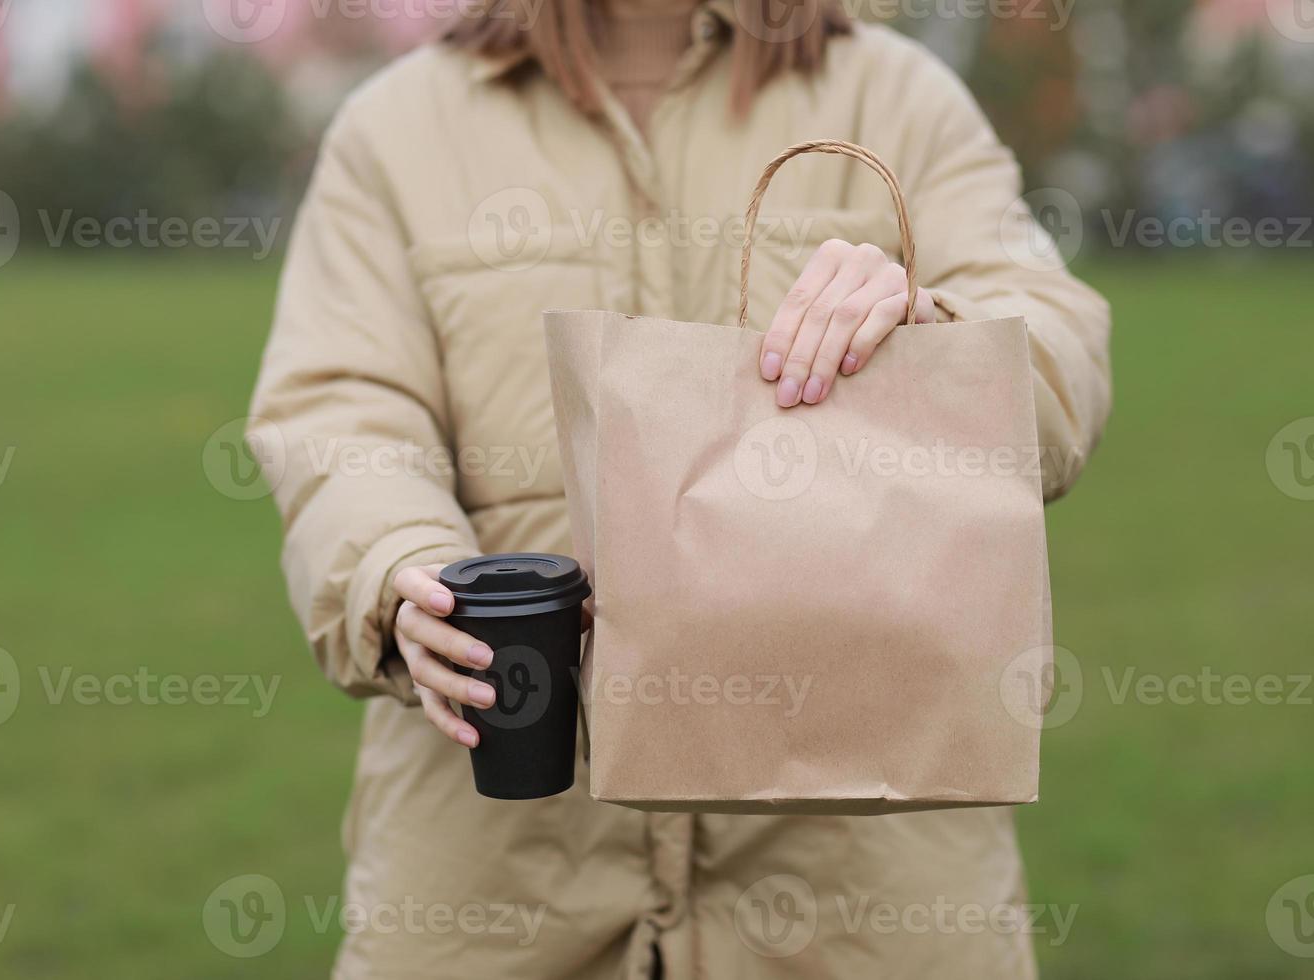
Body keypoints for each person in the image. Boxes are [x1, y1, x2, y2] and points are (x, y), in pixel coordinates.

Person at [249, 0, 1111, 975]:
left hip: (867, 905)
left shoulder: (900, 97)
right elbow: (343, 410)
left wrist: (940, 333)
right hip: (490, 890)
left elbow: (1058, 345)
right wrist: (397, 568)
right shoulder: (396, 128)